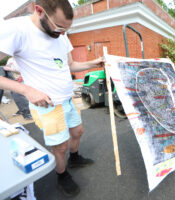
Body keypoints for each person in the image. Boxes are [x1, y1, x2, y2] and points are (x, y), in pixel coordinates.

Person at [0, 0, 104, 197]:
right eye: (59, 28)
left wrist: (94, 63)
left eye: (66, 29)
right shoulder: (17, 30)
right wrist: (26, 90)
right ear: (39, 11)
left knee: (78, 131)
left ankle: (74, 158)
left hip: (67, 99)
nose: (63, 34)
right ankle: (62, 175)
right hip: (47, 104)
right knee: (60, 145)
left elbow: (70, 65)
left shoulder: (61, 33)